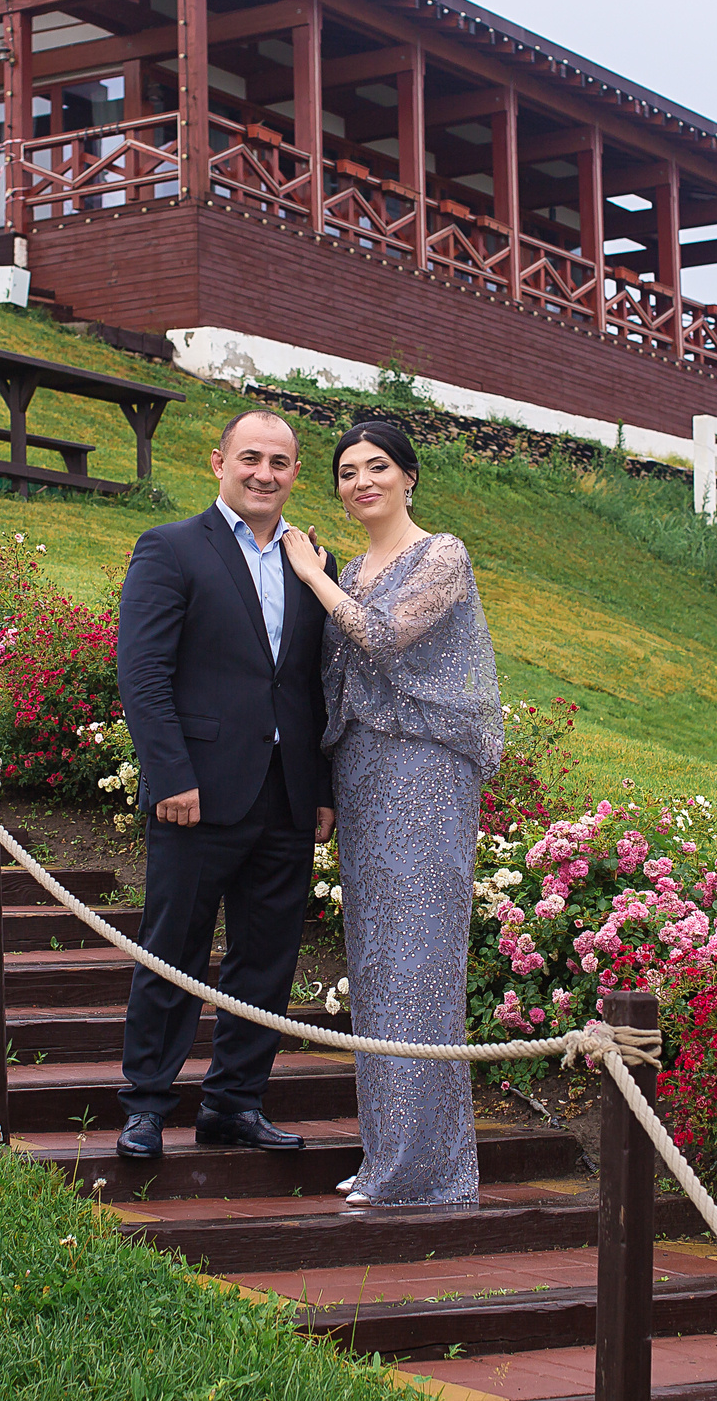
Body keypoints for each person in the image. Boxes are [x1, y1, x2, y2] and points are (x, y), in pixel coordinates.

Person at [280, 419, 502, 1209]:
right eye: (346, 471)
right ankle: (390, 1157)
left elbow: (381, 635)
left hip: (425, 772)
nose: (361, 480)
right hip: (365, 775)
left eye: (377, 466)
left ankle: (425, 1170)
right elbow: (331, 682)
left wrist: (309, 573)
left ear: (409, 476)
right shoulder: (353, 566)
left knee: (419, 964)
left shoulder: (440, 553)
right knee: (374, 964)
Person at [113, 409, 337, 1161]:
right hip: (196, 794)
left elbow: (316, 686)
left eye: (279, 461)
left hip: (285, 796)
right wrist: (170, 772)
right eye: (250, 457)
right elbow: (143, 675)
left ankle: (234, 1102)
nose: (264, 473)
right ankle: (145, 1106)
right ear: (219, 463)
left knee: (266, 960)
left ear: (295, 474)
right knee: (172, 948)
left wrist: (323, 788)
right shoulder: (172, 548)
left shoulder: (314, 565)